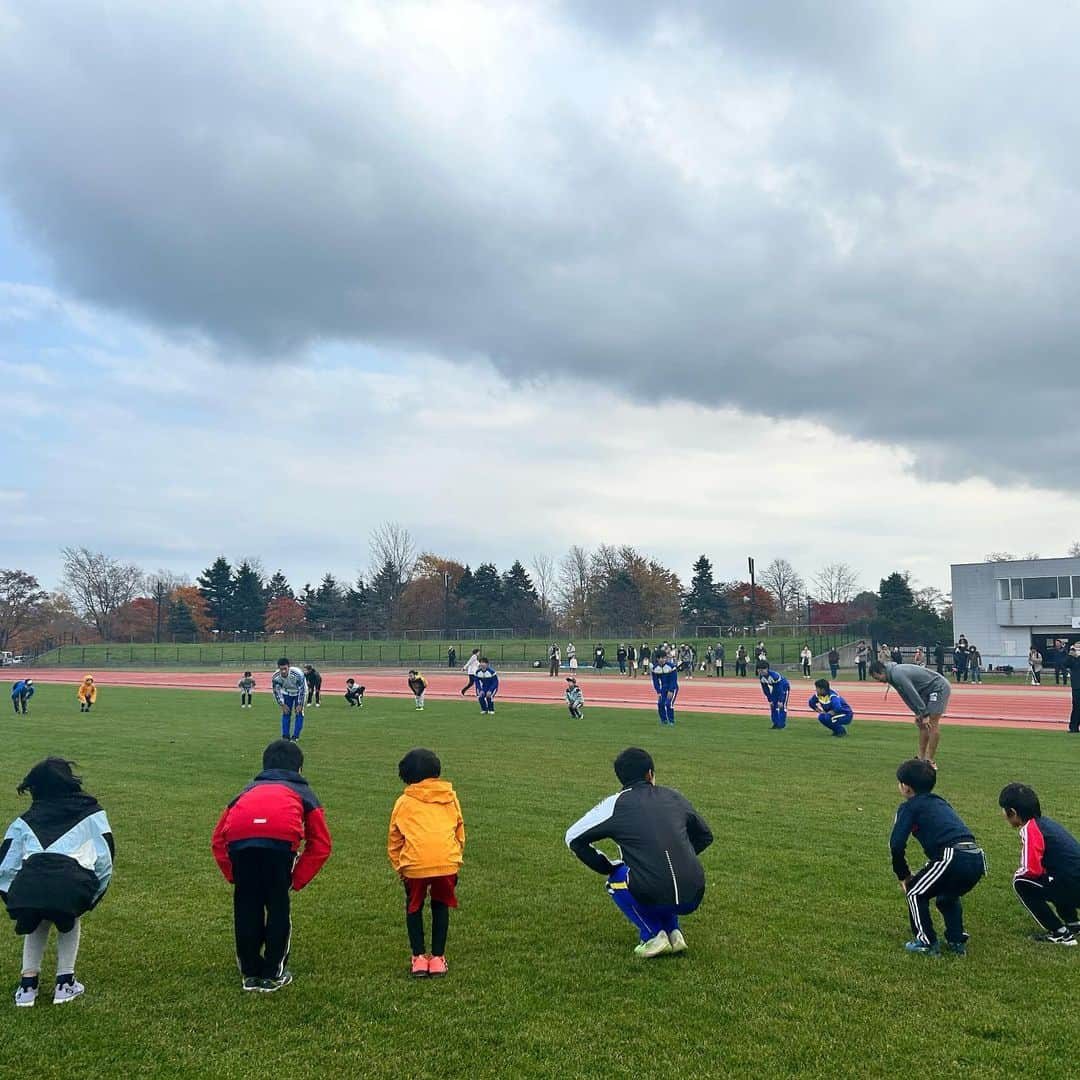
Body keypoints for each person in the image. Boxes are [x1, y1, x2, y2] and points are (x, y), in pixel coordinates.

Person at [565, 747, 713, 958]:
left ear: (621, 778)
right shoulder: (674, 795)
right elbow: (705, 836)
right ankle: (673, 931)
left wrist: (605, 867)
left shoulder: (615, 803)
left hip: (653, 889)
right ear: (650, 774)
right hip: (694, 892)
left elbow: (572, 837)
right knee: (654, 874)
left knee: (615, 880)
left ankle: (653, 935)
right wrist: (684, 854)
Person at [211, 739, 332, 992]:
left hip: (240, 844)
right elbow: (321, 843)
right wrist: (296, 879)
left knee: (246, 906)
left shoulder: (246, 790)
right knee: (277, 906)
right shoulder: (304, 792)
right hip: (279, 845)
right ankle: (273, 973)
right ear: (300, 770)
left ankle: (250, 972)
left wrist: (232, 874)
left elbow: (218, 838)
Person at [1, 758, 114, 1007]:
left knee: (36, 922)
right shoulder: (93, 813)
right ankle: (65, 983)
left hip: (30, 884)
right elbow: (105, 858)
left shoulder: (25, 820)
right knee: (69, 919)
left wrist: (13, 897)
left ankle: (27, 987)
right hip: (70, 884)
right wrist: (92, 896)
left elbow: (6, 863)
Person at [890, 758, 984, 955]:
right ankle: (956, 941)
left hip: (952, 855)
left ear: (906, 788)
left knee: (915, 892)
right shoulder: (940, 802)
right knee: (946, 897)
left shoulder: (909, 807)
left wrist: (904, 875)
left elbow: (896, 844)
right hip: (976, 857)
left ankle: (926, 942)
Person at [388, 748, 464, 978]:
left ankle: (419, 958)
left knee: (414, 907)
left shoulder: (404, 802)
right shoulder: (450, 797)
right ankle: (438, 958)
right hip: (447, 863)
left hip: (414, 865)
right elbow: (459, 830)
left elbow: (394, 838)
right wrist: (455, 858)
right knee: (440, 906)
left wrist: (400, 867)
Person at [999, 782, 1080, 945]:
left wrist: (1019, 873)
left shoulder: (1030, 829)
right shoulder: (1047, 823)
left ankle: (1060, 933)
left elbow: (1031, 869)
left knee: (1020, 882)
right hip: (1073, 882)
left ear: (1013, 812)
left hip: (1072, 886)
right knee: (1053, 875)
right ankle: (1073, 924)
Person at [869, 660, 950, 767]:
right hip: (925, 691)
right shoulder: (891, 677)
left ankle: (929, 760)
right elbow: (905, 696)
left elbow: (912, 692)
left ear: (882, 671)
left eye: (877, 677)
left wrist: (925, 714)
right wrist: (917, 712)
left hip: (938, 687)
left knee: (932, 723)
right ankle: (920, 757)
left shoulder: (897, 674)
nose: (878, 681)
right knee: (921, 723)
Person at [272, 658, 307, 741]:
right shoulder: (275, 677)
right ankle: (285, 736)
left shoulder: (298, 674)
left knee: (299, 712)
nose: (283, 671)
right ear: (278, 668)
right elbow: (276, 691)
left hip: (299, 692)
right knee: (286, 713)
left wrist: (300, 704)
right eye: (281, 669)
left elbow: (302, 689)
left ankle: (295, 737)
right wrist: (282, 704)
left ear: (289, 667)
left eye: (285, 669)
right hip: (286, 692)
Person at [757, 661, 790, 730]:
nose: (761, 672)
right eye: (759, 670)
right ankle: (775, 723)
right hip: (775, 689)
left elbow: (780, 688)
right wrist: (770, 700)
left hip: (784, 688)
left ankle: (781, 725)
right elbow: (765, 689)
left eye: (762, 670)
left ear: (767, 669)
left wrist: (781, 700)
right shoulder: (761, 677)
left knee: (782, 706)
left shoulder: (774, 676)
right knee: (773, 706)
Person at [651, 647, 679, 726]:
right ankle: (663, 720)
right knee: (660, 704)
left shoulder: (671, 667)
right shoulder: (655, 669)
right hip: (663, 687)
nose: (662, 660)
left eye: (663, 658)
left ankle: (671, 721)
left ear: (666, 658)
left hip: (673, 687)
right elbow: (655, 681)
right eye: (660, 658)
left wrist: (671, 690)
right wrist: (658, 692)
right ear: (657, 659)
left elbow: (674, 680)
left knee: (668, 704)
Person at [1065, 643, 1080, 733]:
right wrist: (1070, 654)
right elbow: (1065, 664)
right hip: (1077, 686)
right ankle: (1074, 727)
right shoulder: (1072, 659)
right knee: (1076, 707)